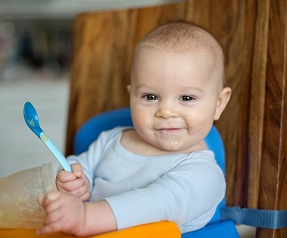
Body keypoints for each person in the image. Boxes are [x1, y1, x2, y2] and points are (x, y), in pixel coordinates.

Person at [37, 21, 232, 237]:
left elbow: (155, 203)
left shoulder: (204, 175)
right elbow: (82, 166)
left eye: (187, 98)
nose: (166, 111)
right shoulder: (111, 139)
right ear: (131, 97)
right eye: (150, 96)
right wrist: (74, 180)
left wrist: (86, 217)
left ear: (218, 104)